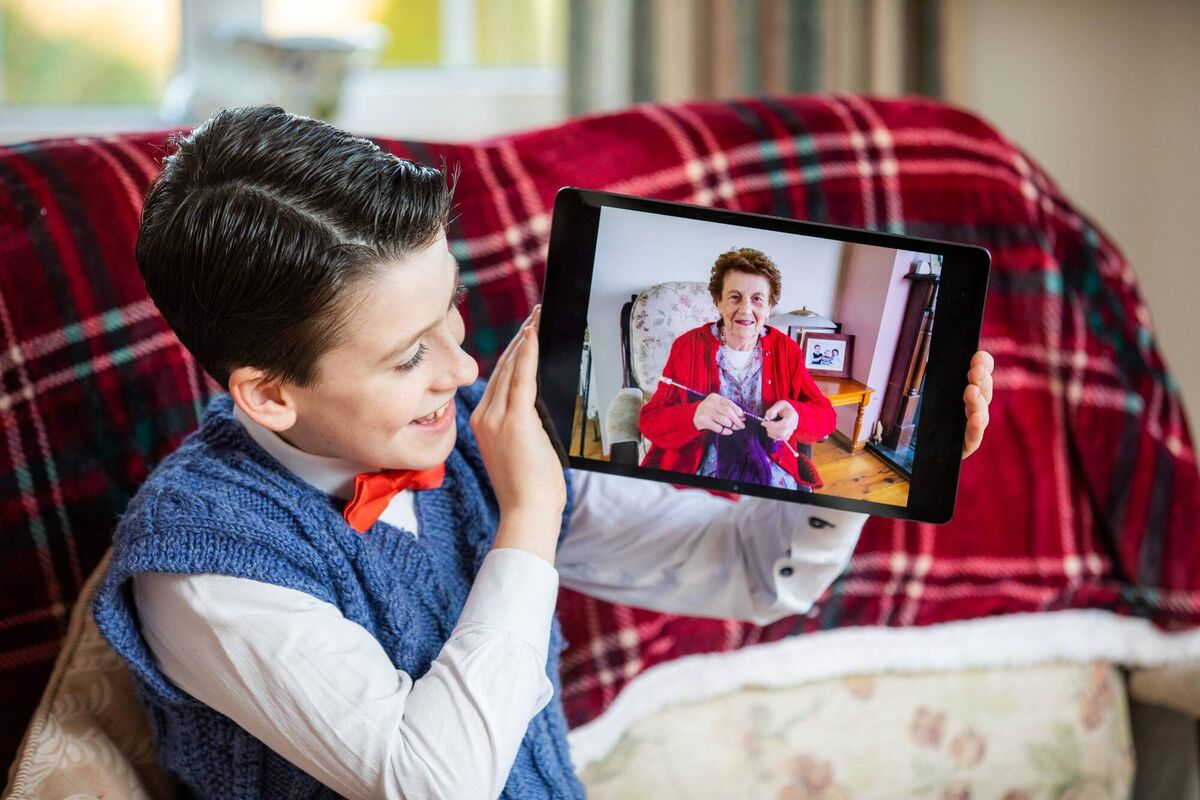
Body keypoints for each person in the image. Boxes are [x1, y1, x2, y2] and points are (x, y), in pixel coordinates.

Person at [92, 107, 995, 800]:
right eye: (407, 357)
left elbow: (753, 570)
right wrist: (529, 516)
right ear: (269, 394)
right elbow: (433, 783)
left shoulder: (474, 436)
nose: (464, 367)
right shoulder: (204, 560)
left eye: (450, 309)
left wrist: (858, 472)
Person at [640, 248, 832, 490]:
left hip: (771, 465)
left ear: (769, 307)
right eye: (734, 297)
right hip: (702, 468)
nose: (745, 309)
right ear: (718, 302)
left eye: (757, 299)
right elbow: (651, 421)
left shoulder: (787, 351)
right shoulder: (687, 347)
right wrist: (693, 415)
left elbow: (826, 417)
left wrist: (796, 417)